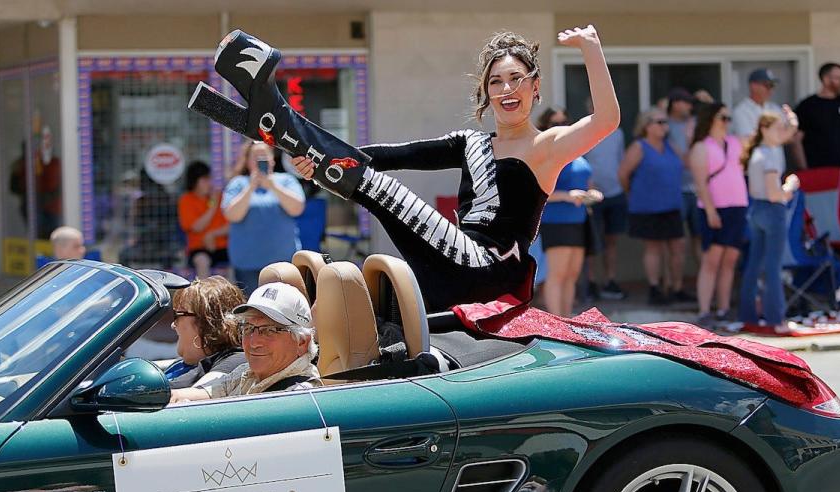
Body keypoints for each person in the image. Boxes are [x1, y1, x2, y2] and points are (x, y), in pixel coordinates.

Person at [209, 27, 619, 313]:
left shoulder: (547, 146)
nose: (506, 90)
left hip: (488, 268)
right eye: (496, 82)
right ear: (486, 91)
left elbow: (606, 120)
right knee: (375, 185)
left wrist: (591, 48)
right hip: (450, 263)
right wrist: (316, 165)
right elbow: (394, 154)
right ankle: (284, 128)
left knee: (382, 192)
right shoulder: (472, 143)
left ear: (535, 86)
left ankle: (279, 120)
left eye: (516, 79)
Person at [169, 282, 320, 402]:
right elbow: (199, 396)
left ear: (302, 343)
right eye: (248, 328)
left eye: (269, 330)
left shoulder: (298, 396)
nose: (253, 342)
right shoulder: (245, 373)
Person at [535, 108, 603, 316]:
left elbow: (588, 183)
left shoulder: (578, 154)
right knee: (557, 274)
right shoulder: (547, 156)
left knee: (572, 274)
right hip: (556, 221)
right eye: (555, 124)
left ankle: (566, 319)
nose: (561, 127)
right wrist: (566, 195)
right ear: (545, 128)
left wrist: (593, 194)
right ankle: (557, 320)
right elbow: (538, 192)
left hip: (579, 220)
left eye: (565, 122)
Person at [738, 110, 801, 331]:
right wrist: (790, 186)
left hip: (755, 210)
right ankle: (777, 319)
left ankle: (748, 316)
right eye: (777, 128)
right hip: (772, 210)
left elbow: (789, 132)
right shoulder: (770, 155)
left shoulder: (757, 151)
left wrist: (791, 119)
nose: (782, 133)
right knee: (773, 266)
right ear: (765, 129)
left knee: (755, 264)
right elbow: (776, 194)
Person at [618, 109, 688, 305]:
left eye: (665, 122)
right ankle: (655, 288)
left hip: (672, 204)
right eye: (659, 122)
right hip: (647, 206)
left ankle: (676, 287)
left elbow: (687, 163)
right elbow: (623, 174)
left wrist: (690, 138)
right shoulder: (639, 147)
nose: (664, 126)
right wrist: (631, 193)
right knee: (654, 248)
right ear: (646, 125)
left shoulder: (670, 145)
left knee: (678, 247)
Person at [689, 102, 749, 327]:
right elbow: (701, 184)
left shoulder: (735, 143)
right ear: (711, 119)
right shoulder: (701, 147)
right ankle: (705, 310)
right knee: (711, 259)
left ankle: (724, 308)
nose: (727, 122)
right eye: (722, 117)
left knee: (730, 259)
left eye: (728, 118)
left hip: (738, 205)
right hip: (713, 207)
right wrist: (712, 211)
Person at [221, 141, 306, 296]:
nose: (260, 159)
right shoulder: (238, 183)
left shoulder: (286, 181)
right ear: (247, 161)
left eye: (263, 156)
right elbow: (232, 215)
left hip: (283, 265)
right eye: (255, 156)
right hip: (247, 265)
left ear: (272, 159)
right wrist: (251, 188)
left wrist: (272, 186)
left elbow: (297, 208)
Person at [164, 276, 247, 388]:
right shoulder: (181, 364)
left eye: (177, 315)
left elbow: (198, 395)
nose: (173, 325)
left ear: (204, 322)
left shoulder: (234, 361)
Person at [582, 99, 628, 300]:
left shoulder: (617, 132)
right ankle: (591, 282)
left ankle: (610, 280)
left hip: (615, 192)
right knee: (593, 242)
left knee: (612, 241)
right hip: (593, 195)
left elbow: (621, 160)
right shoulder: (584, 131)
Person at [666, 87, 701, 262]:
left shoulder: (695, 123)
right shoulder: (664, 125)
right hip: (675, 191)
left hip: (698, 189)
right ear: (675, 104)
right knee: (675, 242)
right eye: (686, 102)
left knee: (700, 239)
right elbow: (685, 161)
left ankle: (704, 287)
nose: (689, 106)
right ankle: (672, 287)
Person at [178, 161, 229, 280]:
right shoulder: (186, 200)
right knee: (202, 261)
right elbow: (196, 227)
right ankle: (203, 295)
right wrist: (213, 207)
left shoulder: (220, 196)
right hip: (199, 248)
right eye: (204, 180)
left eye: (209, 179)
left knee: (237, 258)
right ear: (195, 181)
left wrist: (213, 234)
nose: (209, 183)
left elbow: (230, 226)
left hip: (222, 246)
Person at [732, 68, 785, 140]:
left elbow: (789, 135)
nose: (770, 89)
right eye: (767, 85)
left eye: (772, 85)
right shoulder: (741, 111)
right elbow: (748, 139)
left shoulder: (775, 108)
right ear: (753, 86)